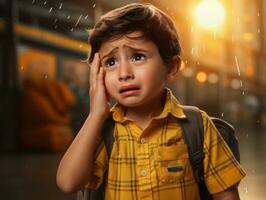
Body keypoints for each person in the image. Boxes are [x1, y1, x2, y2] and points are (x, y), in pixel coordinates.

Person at [56, 3, 246, 199]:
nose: (124, 74)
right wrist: (96, 114)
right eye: (111, 62)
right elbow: (68, 182)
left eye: (137, 57)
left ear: (171, 67)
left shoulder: (197, 126)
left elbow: (226, 195)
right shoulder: (103, 131)